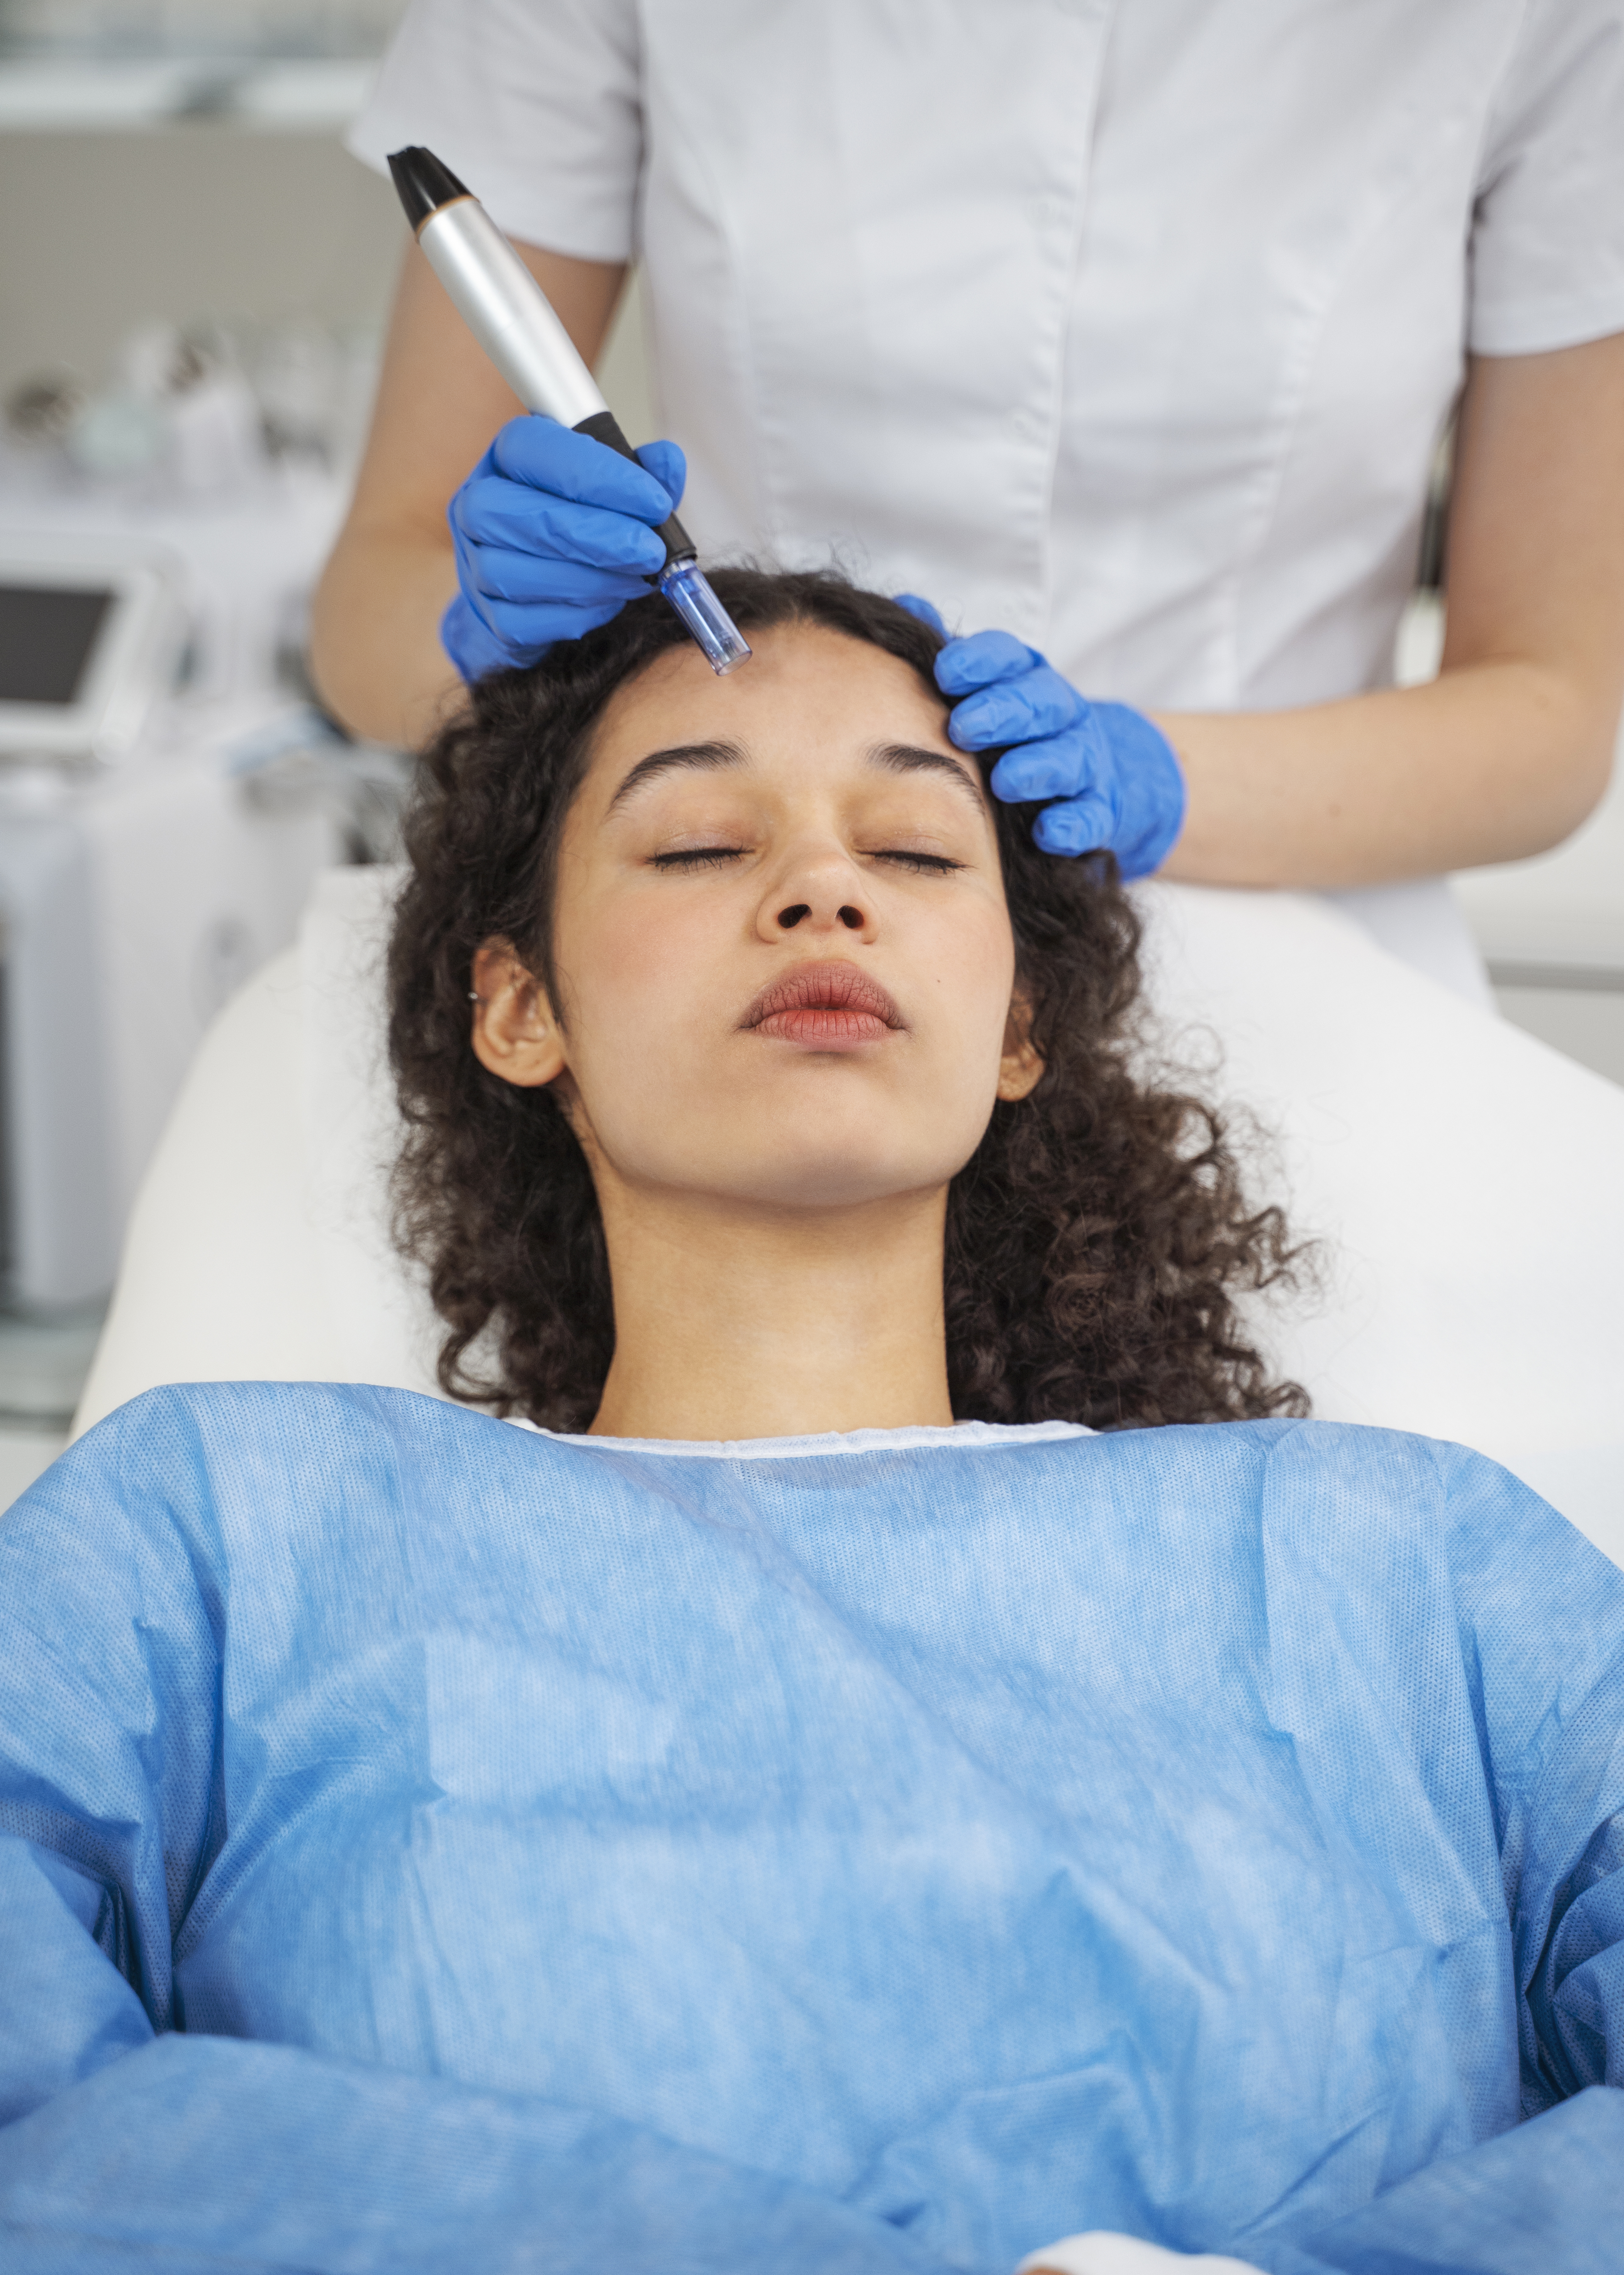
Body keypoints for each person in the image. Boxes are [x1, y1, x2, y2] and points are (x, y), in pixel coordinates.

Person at [2, 574, 1621, 2274]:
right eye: (701, 842)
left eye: (915, 855)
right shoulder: (230, 1531)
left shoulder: (1401, 1559)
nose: (822, 889)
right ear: (517, 1007)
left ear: (1015, 1030)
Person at [315, 0, 1624, 1000]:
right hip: (745, 968)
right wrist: (482, 639)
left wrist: (1146, 779)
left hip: (1292, 954)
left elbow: (1546, 717)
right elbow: (364, 623)